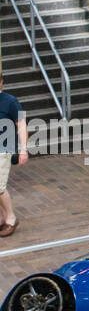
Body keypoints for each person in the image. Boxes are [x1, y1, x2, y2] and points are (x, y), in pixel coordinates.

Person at [0, 74, 27, 237]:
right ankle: (2, 217)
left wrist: (23, 149)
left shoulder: (10, 101)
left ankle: (11, 218)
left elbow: (22, 124)